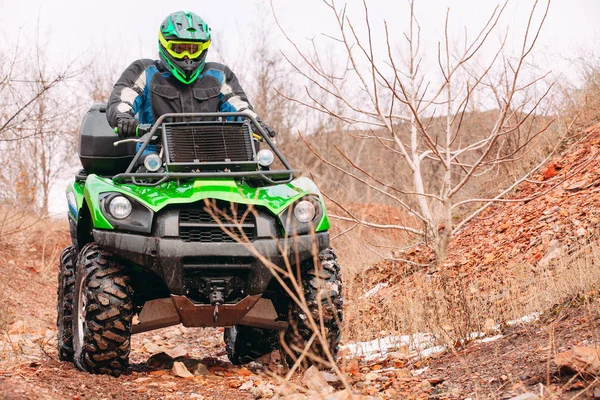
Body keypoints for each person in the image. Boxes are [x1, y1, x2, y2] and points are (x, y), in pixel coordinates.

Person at [106, 10, 276, 138]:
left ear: (203, 48)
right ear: (164, 46)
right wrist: (123, 117)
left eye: (193, 49)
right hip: (155, 159)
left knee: (258, 177)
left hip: (211, 160)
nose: (187, 56)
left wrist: (255, 123)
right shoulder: (145, 71)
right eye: (179, 49)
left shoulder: (218, 75)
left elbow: (239, 106)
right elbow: (124, 98)